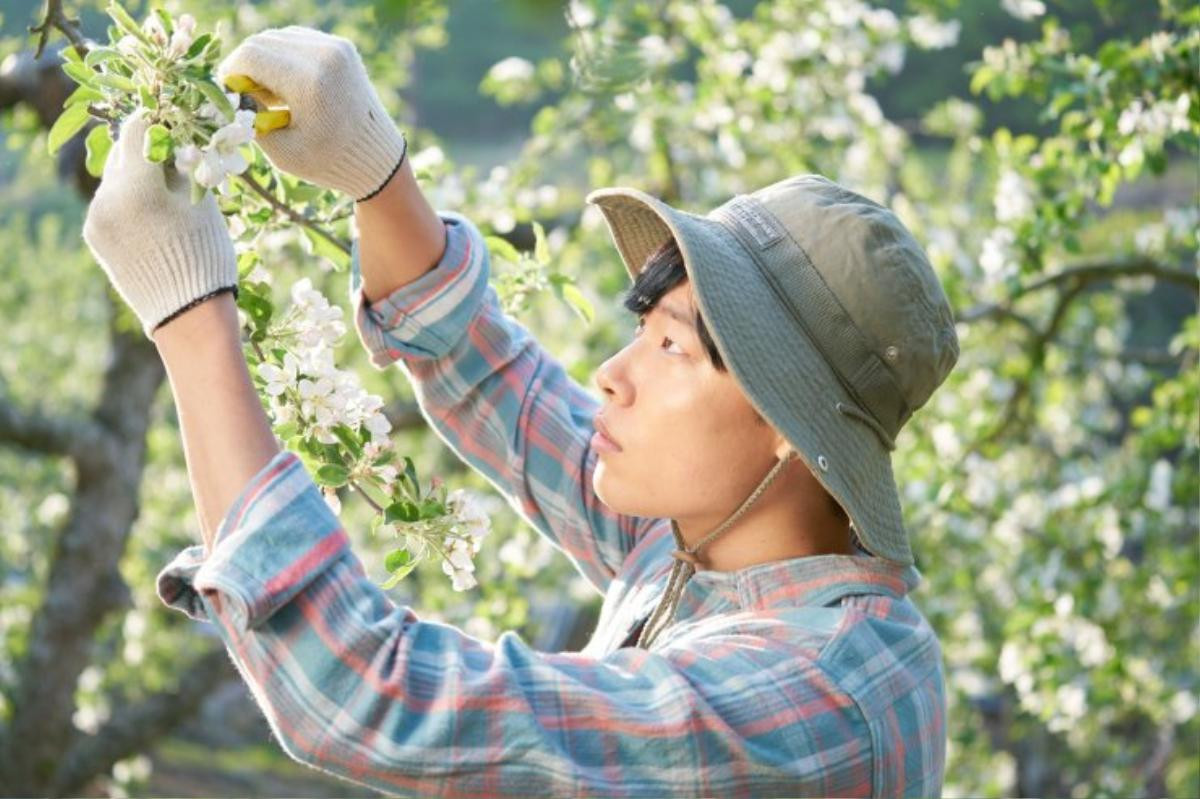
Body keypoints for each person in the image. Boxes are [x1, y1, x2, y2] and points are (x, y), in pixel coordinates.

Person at [81, 24, 959, 799]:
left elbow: (378, 699)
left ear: (786, 421)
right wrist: (376, 172)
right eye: (639, 330)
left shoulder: (820, 699)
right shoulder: (710, 544)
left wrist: (192, 322)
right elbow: (502, 388)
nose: (612, 375)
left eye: (673, 349)